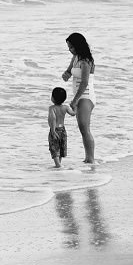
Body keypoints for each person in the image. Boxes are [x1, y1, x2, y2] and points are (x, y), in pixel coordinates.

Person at [61, 32, 96, 164]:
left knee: (84, 128)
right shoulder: (75, 58)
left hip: (86, 96)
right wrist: (66, 74)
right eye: (68, 48)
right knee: (82, 128)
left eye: (71, 47)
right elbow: (70, 71)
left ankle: (90, 159)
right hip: (79, 96)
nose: (70, 50)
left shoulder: (86, 61)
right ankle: (87, 158)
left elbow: (84, 82)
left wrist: (75, 100)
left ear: (78, 46)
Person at [48, 86, 74, 168]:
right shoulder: (65, 107)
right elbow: (73, 113)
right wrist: (75, 106)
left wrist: (53, 130)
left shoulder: (52, 108)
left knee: (54, 147)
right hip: (63, 130)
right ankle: (59, 163)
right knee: (61, 146)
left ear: (53, 98)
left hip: (55, 129)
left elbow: (53, 118)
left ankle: (58, 165)